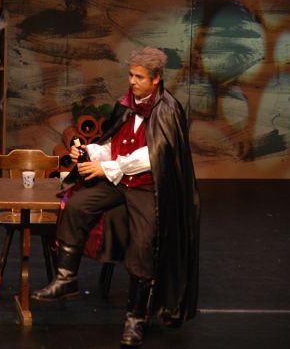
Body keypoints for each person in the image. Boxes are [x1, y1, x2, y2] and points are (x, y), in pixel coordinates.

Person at [31, 47, 200, 347]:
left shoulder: (167, 110)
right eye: (131, 75)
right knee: (77, 205)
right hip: (119, 182)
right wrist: (89, 151)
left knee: (143, 243)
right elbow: (114, 143)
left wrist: (107, 168)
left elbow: (150, 157)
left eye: (139, 77)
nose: (132, 81)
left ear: (156, 79)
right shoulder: (126, 103)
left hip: (148, 187)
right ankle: (66, 277)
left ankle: (135, 318)